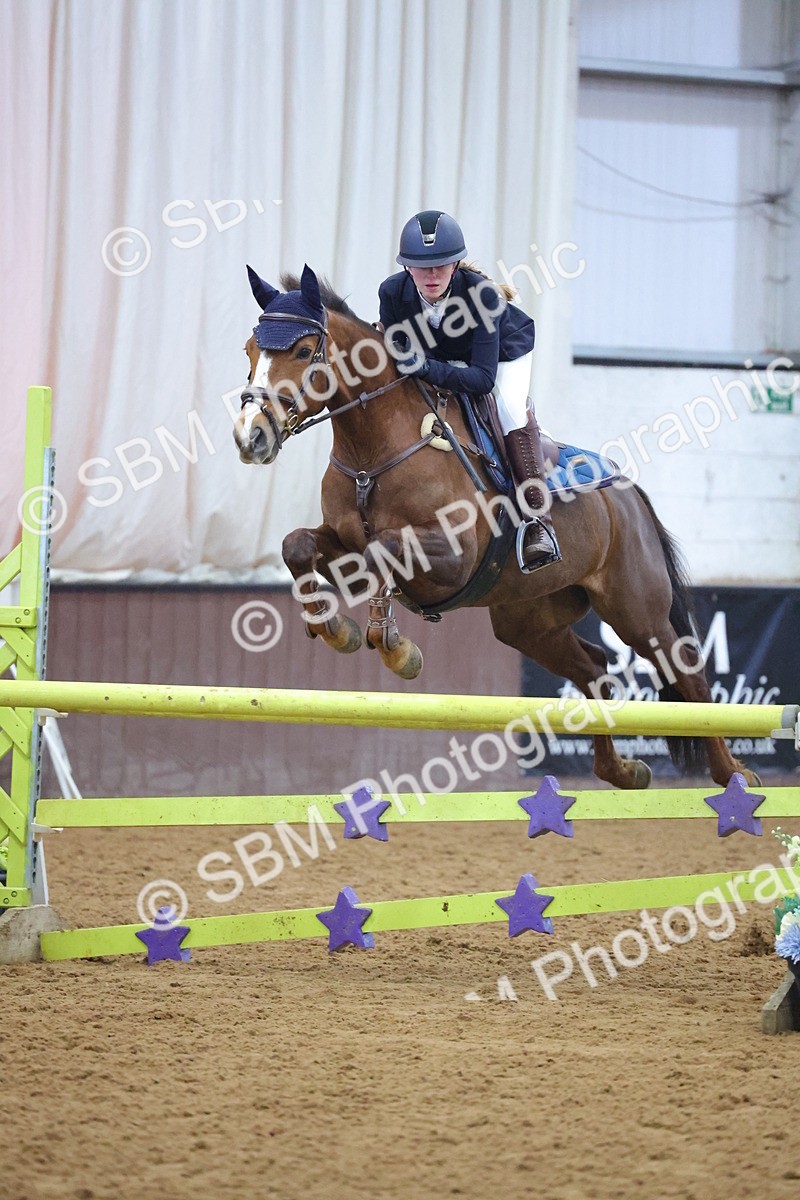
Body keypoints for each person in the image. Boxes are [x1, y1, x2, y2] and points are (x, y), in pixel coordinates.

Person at [378, 209, 560, 573]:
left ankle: (538, 521)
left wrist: (427, 367)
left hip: (502, 354)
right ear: (406, 267)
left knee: (508, 408)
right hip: (446, 355)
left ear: (457, 264)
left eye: (441, 266)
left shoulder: (483, 297)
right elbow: (396, 355)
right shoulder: (392, 293)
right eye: (420, 266)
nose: (431, 276)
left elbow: (481, 380)